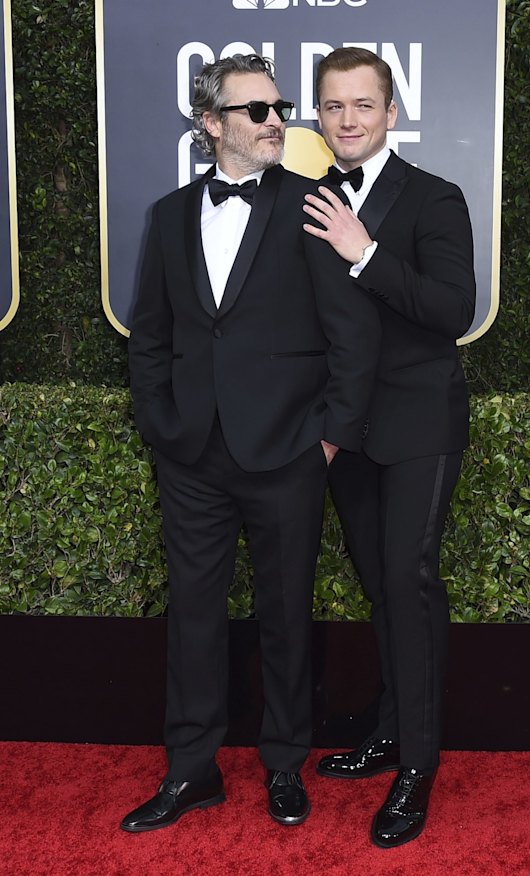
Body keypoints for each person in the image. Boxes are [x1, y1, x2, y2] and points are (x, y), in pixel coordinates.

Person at [121, 53, 380, 833]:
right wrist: (162, 427)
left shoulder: (314, 204)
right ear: (211, 124)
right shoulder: (168, 217)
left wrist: (329, 440)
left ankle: (282, 765)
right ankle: (191, 770)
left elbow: (352, 337)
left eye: (279, 106)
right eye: (257, 110)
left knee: (285, 615)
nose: (277, 121)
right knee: (194, 616)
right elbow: (150, 338)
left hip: (288, 453)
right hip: (193, 454)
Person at [302, 47, 476, 848]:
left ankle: (419, 764)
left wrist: (363, 252)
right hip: (349, 430)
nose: (348, 120)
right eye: (334, 107)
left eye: (362, 105)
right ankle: (388, 727)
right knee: (379, 584)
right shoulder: (308, 201)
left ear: (391, 111)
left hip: (419, 424)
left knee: (408, 581)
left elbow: (451, 310)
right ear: (318, 116)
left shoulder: (436, 198)